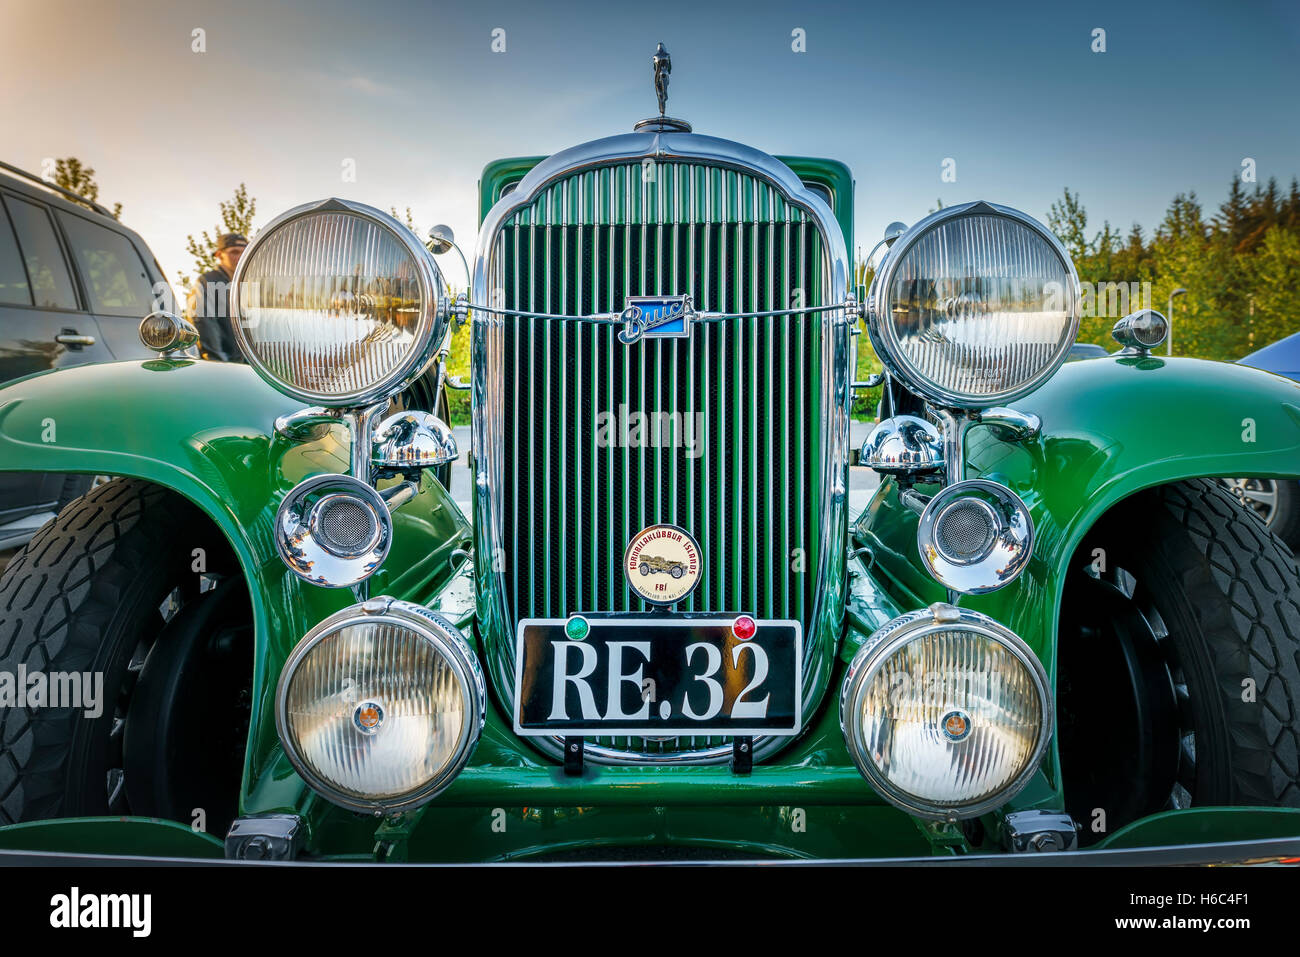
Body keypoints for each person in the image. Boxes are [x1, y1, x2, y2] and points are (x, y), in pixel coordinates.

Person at [187, 232, 247, 362]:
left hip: (249, 366)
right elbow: (203, 322)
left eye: (244, 252)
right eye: (235, 252)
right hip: (223, 366)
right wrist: (218, 362)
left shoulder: (246, 283)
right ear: (219, 255)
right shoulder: (207, 281)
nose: (240, 257)